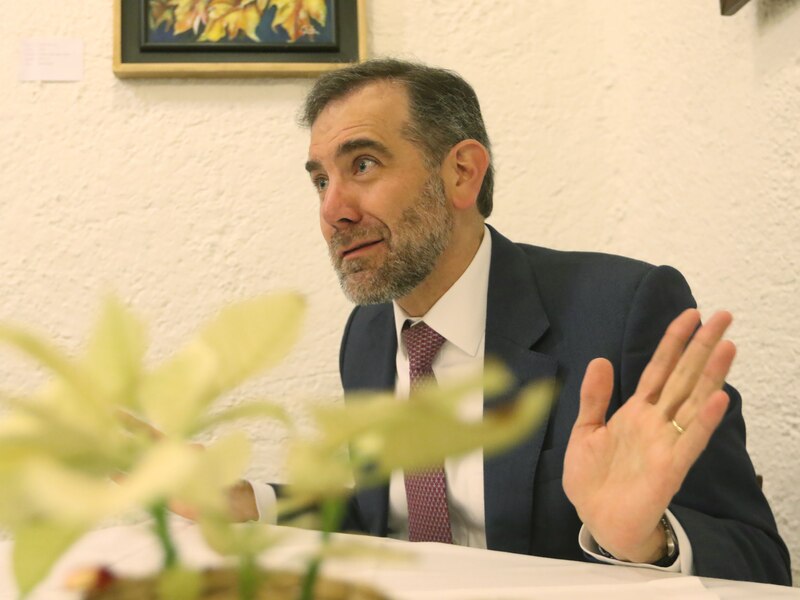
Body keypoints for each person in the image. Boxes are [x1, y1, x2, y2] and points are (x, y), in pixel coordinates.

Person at [241, 59, 790, 585]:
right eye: (320, 181)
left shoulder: (625, 311)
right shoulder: (366, 337)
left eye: (363, 165)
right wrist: (252, 502)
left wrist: (646, 543)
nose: (332, 210)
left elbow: (760, 561)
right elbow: (382, 523)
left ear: (462, 173)